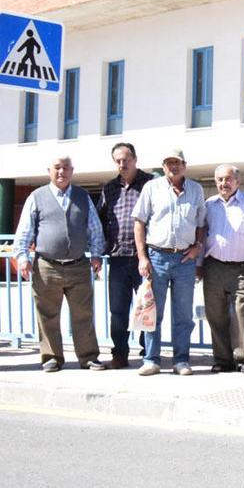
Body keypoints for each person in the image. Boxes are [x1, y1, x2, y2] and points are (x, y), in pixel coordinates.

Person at [13, 156, 106, 372]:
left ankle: (88, 357)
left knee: (83, 314)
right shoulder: (36, 197)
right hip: (46, 266)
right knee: (47, 315)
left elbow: (95, 228)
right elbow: (25, 230)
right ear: (49, 171)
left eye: (65, 168)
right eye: (57, 168)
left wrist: (96, 254)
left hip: (79, 266)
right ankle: (51, 357)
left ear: (72, 171)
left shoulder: (83, 196)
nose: (61, 172)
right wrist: (23, 257)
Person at [132, 148, 206, 376]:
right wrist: (142, 257)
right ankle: (151, 359)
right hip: (157, 257)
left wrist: (197, 248)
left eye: (177, 162)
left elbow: (201, 223)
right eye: (168, 163)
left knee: (183, 314)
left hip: (185, 259)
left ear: (184, 164)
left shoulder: (196, 189)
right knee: (153, 312)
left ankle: (181, 360)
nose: (173, 166)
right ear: (163, 167)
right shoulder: (151, 188)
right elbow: (139, 223)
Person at [198, 165, 244, 374]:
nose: (223, 184)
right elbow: (201, 235)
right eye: (219, 180)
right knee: (215, 315)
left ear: (237, 181)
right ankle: (223, 360)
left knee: (240, 312)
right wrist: (199, 265)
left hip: (242, 268)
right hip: (214, 267)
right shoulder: (209, 205)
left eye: (228, 179)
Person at [98, 142, 153, 369]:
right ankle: (119, 353)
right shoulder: (109, 188)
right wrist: (99, 253)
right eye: (118, 160)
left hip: (146, 258)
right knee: (118, 310)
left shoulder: (151, 183)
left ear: (135, 159)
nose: (122, 163)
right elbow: (100, 220)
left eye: (126, 159)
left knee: (146, 307)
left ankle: (148, 353)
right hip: (118, 258)